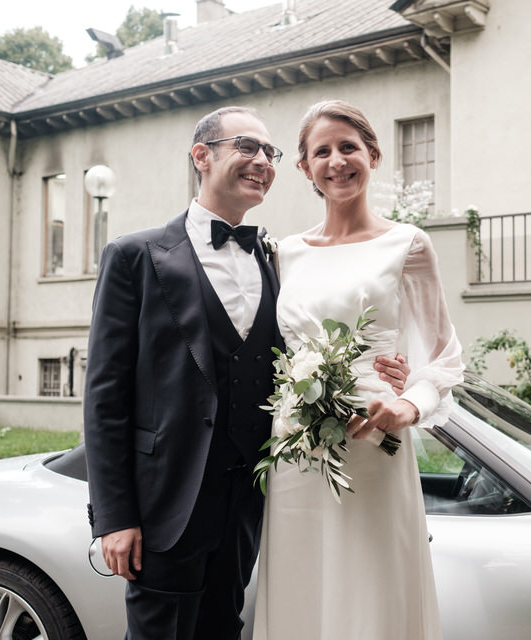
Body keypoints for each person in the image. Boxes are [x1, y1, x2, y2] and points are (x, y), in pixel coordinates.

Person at [83, 105, 409, 640]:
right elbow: (104, 397)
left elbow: (313, 342)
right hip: (165, 505)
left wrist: (388, 372)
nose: (262, 161)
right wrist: (115, 516)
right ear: (201, 156)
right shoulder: (134, 256)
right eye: (247, 147)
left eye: (270, 152)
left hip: (250, 502)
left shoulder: (276, 258)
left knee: (224, 628)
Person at [253, 100, 464, 640]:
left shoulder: (407, 244)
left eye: (348, 147)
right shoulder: (284, 253)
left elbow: (443, 358)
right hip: (295, 451)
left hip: (373, 444)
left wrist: (406, 405)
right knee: (301, 586)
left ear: (373, 155)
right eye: (321, 151)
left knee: (369, 588)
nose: (337, 161)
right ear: (305, 167)